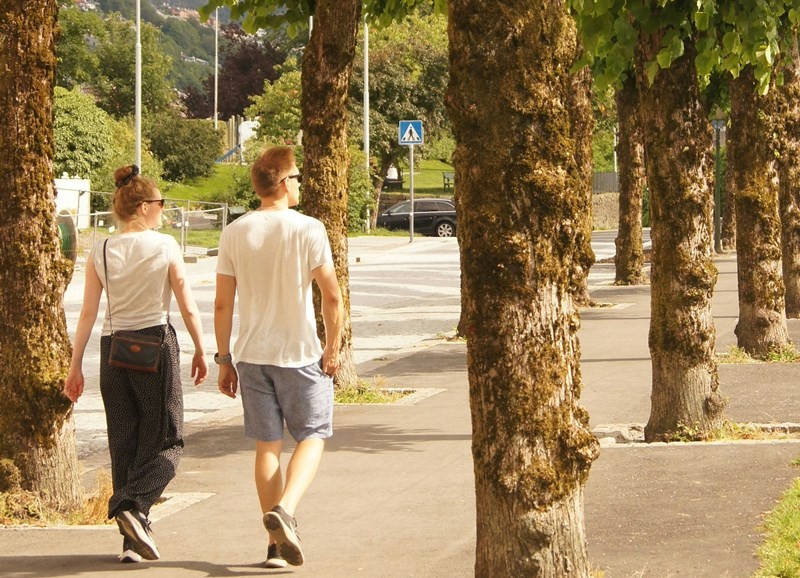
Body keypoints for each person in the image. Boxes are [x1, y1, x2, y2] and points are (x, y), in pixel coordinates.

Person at [64, 165, 208, 564]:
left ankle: (132, 540)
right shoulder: (164, 246)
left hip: (114, 350)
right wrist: (202, 349)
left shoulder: (102, 249)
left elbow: (88, 313)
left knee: (124, 442)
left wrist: (75, 366)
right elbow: (186, 305)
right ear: (144, 207)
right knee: (167, 438)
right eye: (161, 203)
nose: (164, 210)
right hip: (153, 344)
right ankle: (132, 503)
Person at [214, 146, 343, 568]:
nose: (300, 183)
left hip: (252, 355)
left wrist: (223, 358)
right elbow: (332, 296)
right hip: (299, 352)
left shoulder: (234, 231)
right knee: (312, 435)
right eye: (298, 177)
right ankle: (285, 511)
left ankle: (274, 549)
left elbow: (221, 304)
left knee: (267, 446)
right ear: (285, 183)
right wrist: (332, 347)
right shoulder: (309, 228)